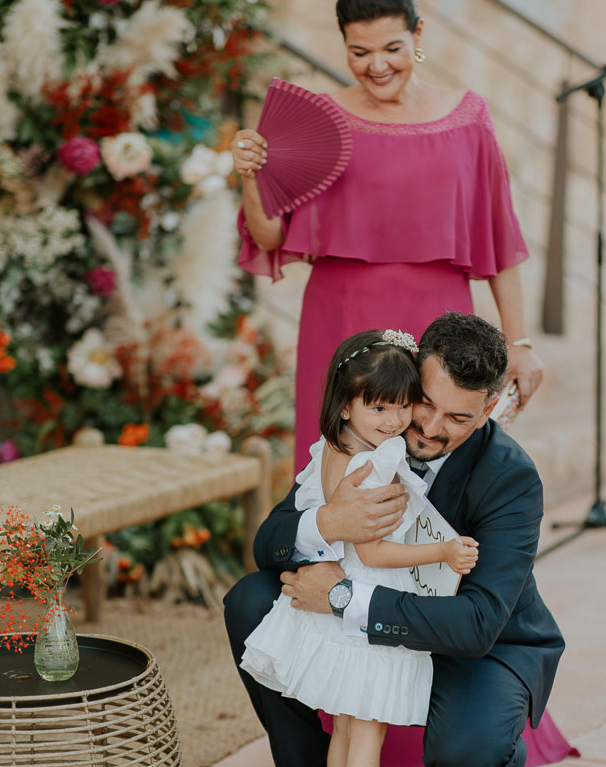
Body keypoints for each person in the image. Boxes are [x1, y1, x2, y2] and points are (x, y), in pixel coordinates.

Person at [225, 313, 566, 767]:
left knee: (470, 751)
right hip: (379, 602)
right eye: (424, 403)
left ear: (487, 412)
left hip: (473, 643)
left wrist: (343, 599)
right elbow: (270, 544)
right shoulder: (373, 430)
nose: (428, 426)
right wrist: (329, 521)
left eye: (458, 417)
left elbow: (477, 625)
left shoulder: (512, 479)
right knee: (250, 601)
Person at [232, 0, 544, 474]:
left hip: (439, 321)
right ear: (343, 45)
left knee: (434, 466)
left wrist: (518, 343)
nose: (377, 66)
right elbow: (269, 236)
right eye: (359, 52)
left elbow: (499, 240)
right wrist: (250, 177)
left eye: (392, 48)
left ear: (419, 34)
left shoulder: (469, 117)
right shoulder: (319, 121)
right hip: (339, 321)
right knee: (338, 467)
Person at [239, 328, 480, 767]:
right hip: (367, 609)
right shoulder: (376, 464)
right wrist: (443, 551)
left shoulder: (333, 446)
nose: (394, 421)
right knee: (367, 731)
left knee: (347, 728)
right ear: (347, 404)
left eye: (403, 405)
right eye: (379, 407)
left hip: (335, 605)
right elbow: (373, 553)